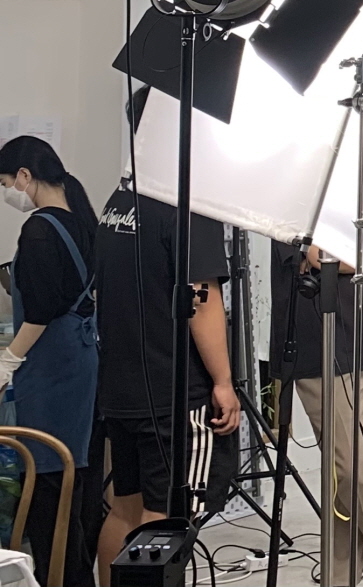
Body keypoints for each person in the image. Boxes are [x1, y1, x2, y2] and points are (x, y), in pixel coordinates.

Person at [95, 177, 241, 580]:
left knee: (124, 509)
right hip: (172, 394)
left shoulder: (120, 199)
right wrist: (223, 381)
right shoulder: (190, 206)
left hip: (121, 388)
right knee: (167, 518)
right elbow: (202, 298)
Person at [267, 242, 363, 587]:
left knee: (355, 473)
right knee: (352, 471)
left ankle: (338, 578)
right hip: (323, 343)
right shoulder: (298, 206)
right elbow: (322, 258)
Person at [0, 136, 99, 586]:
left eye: (6, 183)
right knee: (73, 485)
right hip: (79, 362)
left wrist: (8, 360)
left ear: (25, 176)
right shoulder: (81, 221)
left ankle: (59, 576)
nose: (8, 193)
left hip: (51, 369)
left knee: (47, 483)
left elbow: (39, 311)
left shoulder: (39, 229)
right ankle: (73, 572)